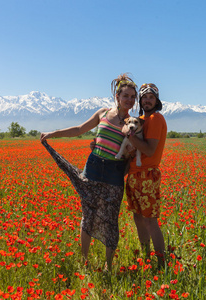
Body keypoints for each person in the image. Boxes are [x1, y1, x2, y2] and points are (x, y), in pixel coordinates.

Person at [40, 74, 137, 271]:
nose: (129, 100)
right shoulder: (103, 113)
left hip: (113, 173)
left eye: (132, 97)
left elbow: (131, 153)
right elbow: (79, 129)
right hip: (92, 169)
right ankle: (84, 261)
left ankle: (108, 266)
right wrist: (53, 133)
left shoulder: (132, 123)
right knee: (88, 215)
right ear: (117, 96)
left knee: (111, 219)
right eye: (126, 95)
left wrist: (129, 155)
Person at [124, 83, 167, 267]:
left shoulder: (156, 119)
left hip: (147, 176)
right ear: (140, 101)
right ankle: (146, 255)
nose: (147, 100)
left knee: (150, 220)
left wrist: (130, 136)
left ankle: (162, 263)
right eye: (144, 97)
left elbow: (149, 150)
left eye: (151, 97)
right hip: (134, 176)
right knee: (138, 218)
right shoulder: (140, 120)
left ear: (156, 100)